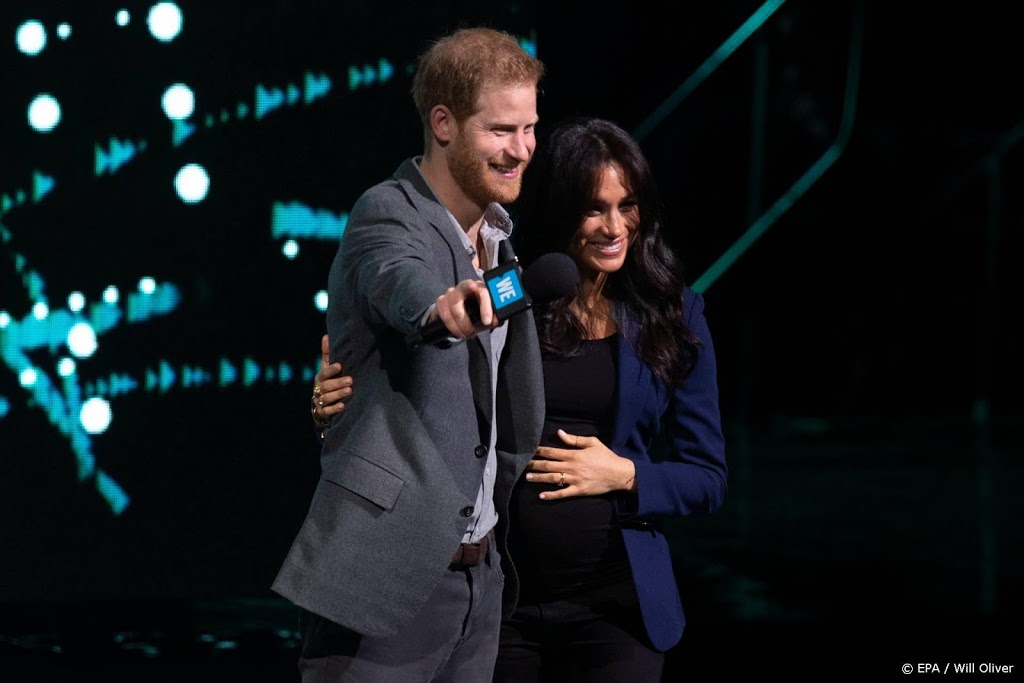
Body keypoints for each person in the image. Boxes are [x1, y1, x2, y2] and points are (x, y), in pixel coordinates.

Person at [312, 116, 728, 681]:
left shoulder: (675, 314)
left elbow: (708, 478)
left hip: (615, 609)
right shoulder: (517, 287)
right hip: (500, 604)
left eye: (627, 206)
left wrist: (627, 474)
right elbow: (428, 370)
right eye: (594, 209)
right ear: (561, 209)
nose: (614, 227)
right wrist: (345, 395)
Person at [274, 27, 547, 682]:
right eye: (501, 130)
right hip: (385, 576)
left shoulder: (499, 240)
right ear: (443, 123)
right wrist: (440, 309)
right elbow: (402, 279)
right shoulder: (387, 212)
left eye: (529, 128)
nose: (521, 149)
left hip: (479, 581)